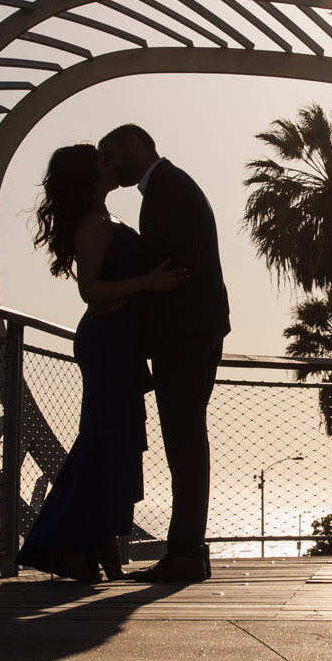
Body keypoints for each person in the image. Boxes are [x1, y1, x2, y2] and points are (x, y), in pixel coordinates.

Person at [16, 143, 186, 583]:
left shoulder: (105, 218)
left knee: (118, 447)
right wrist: (146, 282)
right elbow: (90, 290)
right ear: (90, 177)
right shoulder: (93, 225)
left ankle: (103, 554)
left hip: (121, 343)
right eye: (102, 161)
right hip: (106, 342)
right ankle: (64, 541)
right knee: (103, 444)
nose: (110, 165)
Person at [99, 123, 231, 582]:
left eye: (110, 154)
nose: (108, 165)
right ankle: (187, 549)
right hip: (194, 327)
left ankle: (186, 553)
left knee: (184, 439)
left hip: (185, 330)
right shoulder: (171, 186)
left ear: (135, 144)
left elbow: (176, 263)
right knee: (185, 437)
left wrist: (136, 300)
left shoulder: (167, 189)